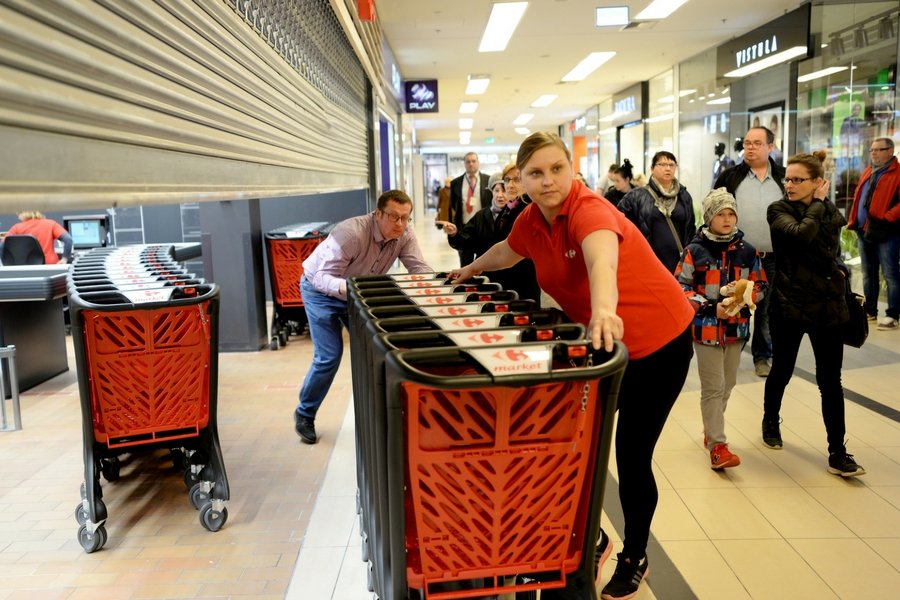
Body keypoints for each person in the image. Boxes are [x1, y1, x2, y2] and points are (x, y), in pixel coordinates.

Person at [450, 132, 694, 600]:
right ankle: (590, 539)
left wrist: (604, 308)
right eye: (536, 174)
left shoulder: (591, 210)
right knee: (573, 449)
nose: (548, 181)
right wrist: (472, 269)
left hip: (658, 342)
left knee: (630, 454)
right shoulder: (531, 219)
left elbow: (601, 259)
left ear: (571, 168)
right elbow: (509, 249)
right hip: (604, 345)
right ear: (519, 180)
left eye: (557, 169)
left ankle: (635, 554)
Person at [293, 190, 432, 444]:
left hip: (356, 292)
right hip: (319, 291)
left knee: (374, 350)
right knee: (329, 356)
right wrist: (355, 291)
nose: (400, 224)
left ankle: (378, 414)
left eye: (405, 218)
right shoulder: (350, 233)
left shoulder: (404, 234)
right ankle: (305, 413)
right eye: (393, 217)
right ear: (377, 214)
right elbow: (323, 277)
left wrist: (435, 287)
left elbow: (418, 268)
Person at [762, 151, 865, 477]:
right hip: (788, 303)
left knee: (830, 381)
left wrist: (820, 208)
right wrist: (819, 204)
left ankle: (838, 451)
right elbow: (798, 236)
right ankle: (770, 420)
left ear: (817, 182)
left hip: (826, 307)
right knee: (782, 369)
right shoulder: (777, 209)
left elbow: (823, 255)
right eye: (788, 179)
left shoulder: (831, 213)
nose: (789, 185)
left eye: (797, 179)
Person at [676, 189, 767, 470]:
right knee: (713, 389)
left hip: (736, 330)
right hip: (705, 330)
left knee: (728, 385)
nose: (727, 219)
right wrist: (708, 307)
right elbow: (680, 288)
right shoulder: (694, 251)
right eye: (720, 214)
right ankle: (718, 445)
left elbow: (761, 284)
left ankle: (710, 429)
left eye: (731, 214)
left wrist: (749, 296)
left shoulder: (747, 251)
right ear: (709, 217)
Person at [714, 126, 786, 378]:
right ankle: (728, 352)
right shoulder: (730, 177)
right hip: (740, 255)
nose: (750, 147)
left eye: (757, 143)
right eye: (747, 143)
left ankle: (762, 356)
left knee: (767, 309)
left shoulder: (783, 177)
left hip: (774, 256)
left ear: (770, 147)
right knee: (736, 304)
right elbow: (715, 209)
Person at [438, 170, 540, 303]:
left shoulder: (525, 212)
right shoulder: (484, 216)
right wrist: (455, 234)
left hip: (521, 283)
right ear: (491, 192)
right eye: (497, 190)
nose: (501, 194)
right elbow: (466, 242)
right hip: (490, 281)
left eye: (515, 181)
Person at [845, 137, 900, 330]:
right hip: (864, 230)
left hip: (886, 231)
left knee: (890, 273)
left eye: (878, 149)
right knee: (868, 273)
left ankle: (892, 314)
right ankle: (870, 310)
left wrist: (888, 216)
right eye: (872, 150)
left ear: (890, 151)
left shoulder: (897, 173)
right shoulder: (868, 171)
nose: (874, 153)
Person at [617, 151, 696, 273]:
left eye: (671, 164)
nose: (668, 168)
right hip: (648, 264)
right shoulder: (636, 196)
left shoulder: (684, 196)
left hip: (679, 264)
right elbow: (619, 224)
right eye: (662, 164)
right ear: (652, 168)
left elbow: (691, 229)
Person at [448, 152, 490, 266]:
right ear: (464, 163)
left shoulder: (488, 180)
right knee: (465, 265)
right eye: (468, 161)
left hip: (483, 228)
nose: (471, 164)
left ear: (478, 162)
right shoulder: (455, 183)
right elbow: (452, 205)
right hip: (464, 229)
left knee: (484, 264)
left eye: (473, 161)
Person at [4, 210, 72, 264]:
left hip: (26, 267)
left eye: (18, 213)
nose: (17, 216)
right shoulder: (51, 224)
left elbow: (3, 244)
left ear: (23, 213)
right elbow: (68, 240)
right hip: (50, 266)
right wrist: (64, 259)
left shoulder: (16, 228)